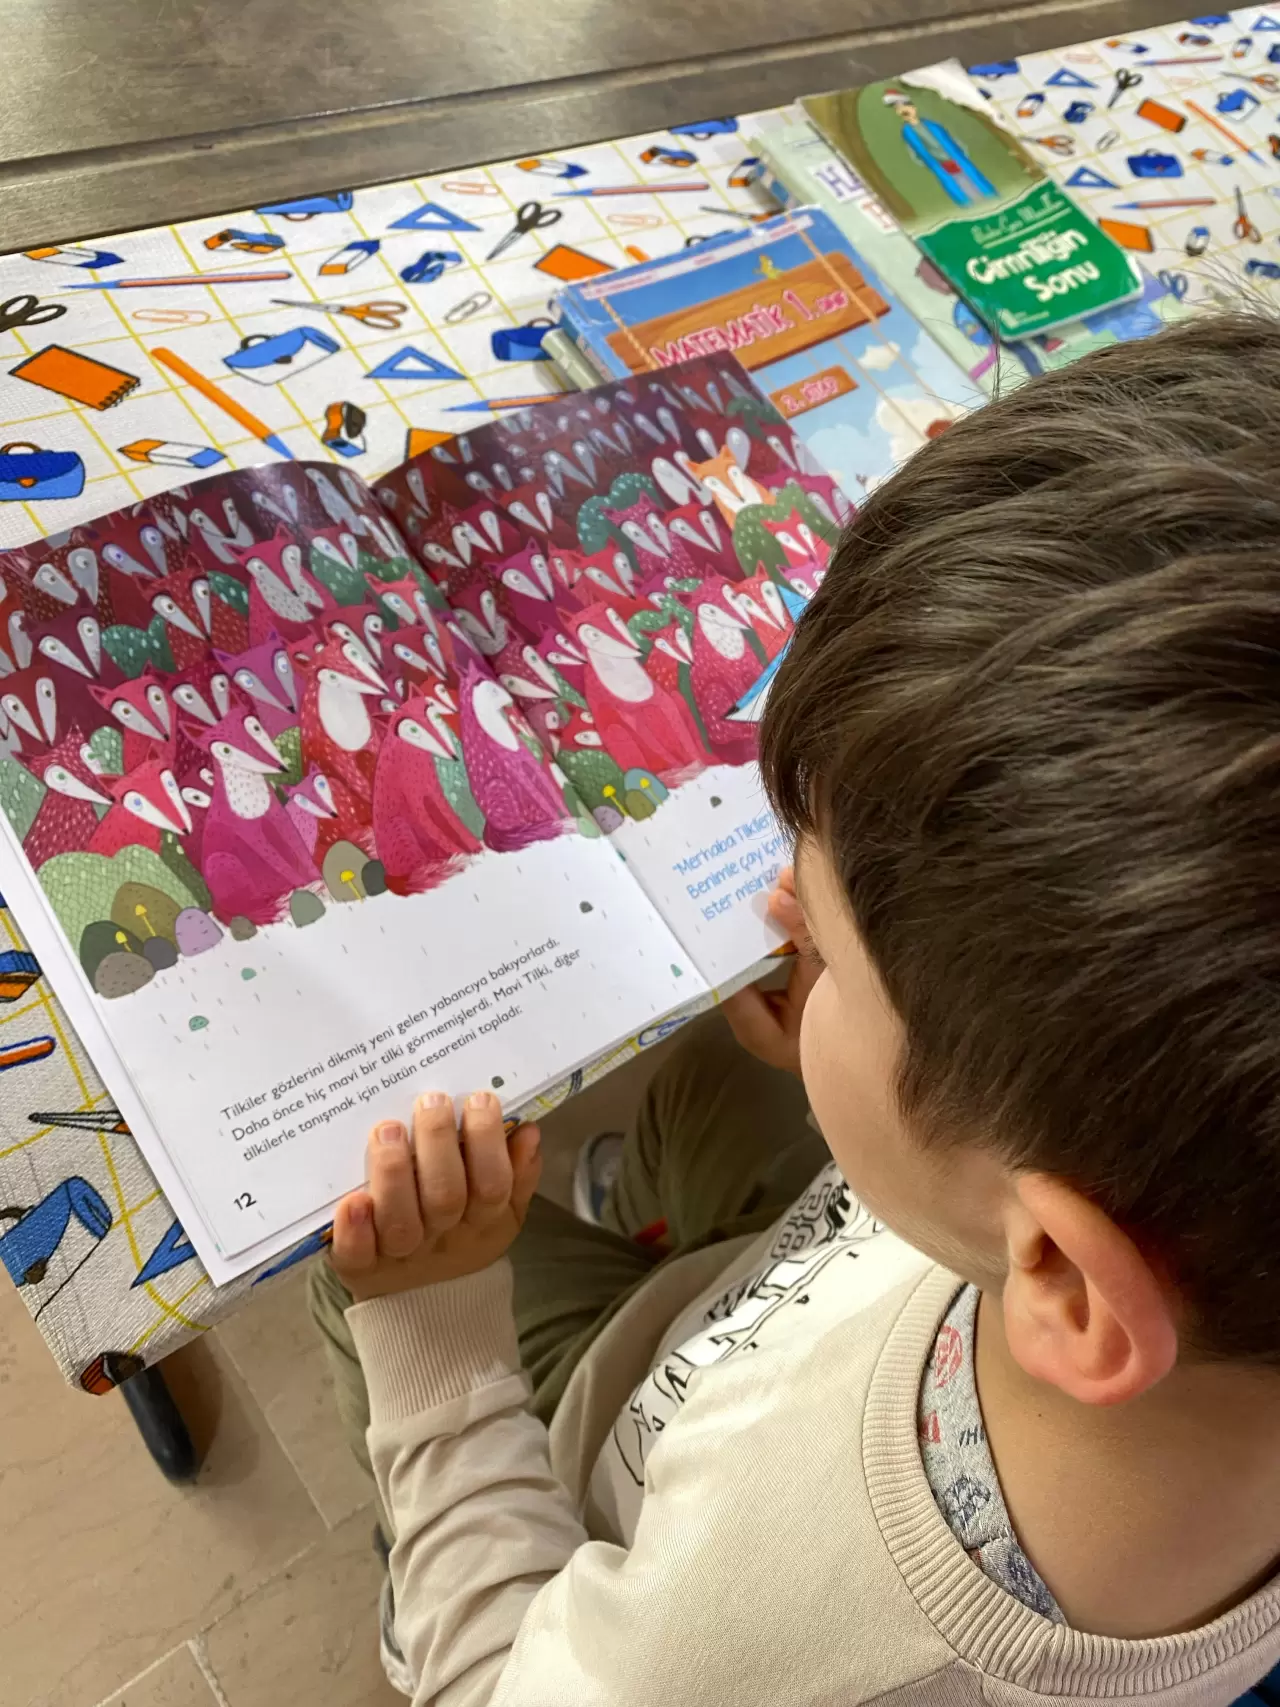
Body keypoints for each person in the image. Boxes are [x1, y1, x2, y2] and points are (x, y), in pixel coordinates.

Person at [309, 313, 1280, 1705]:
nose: (781, 914)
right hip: (795, 1303)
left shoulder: (755, 1633)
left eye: (823, 930)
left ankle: (438, 1507)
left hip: (593, 1504)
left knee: (360, 1249)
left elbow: (504, 1687)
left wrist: (437, 1349)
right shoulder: (1197, 1240)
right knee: (708, 1091)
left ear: (1066, 1278)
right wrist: (896, 1032)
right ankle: (659, 1192)